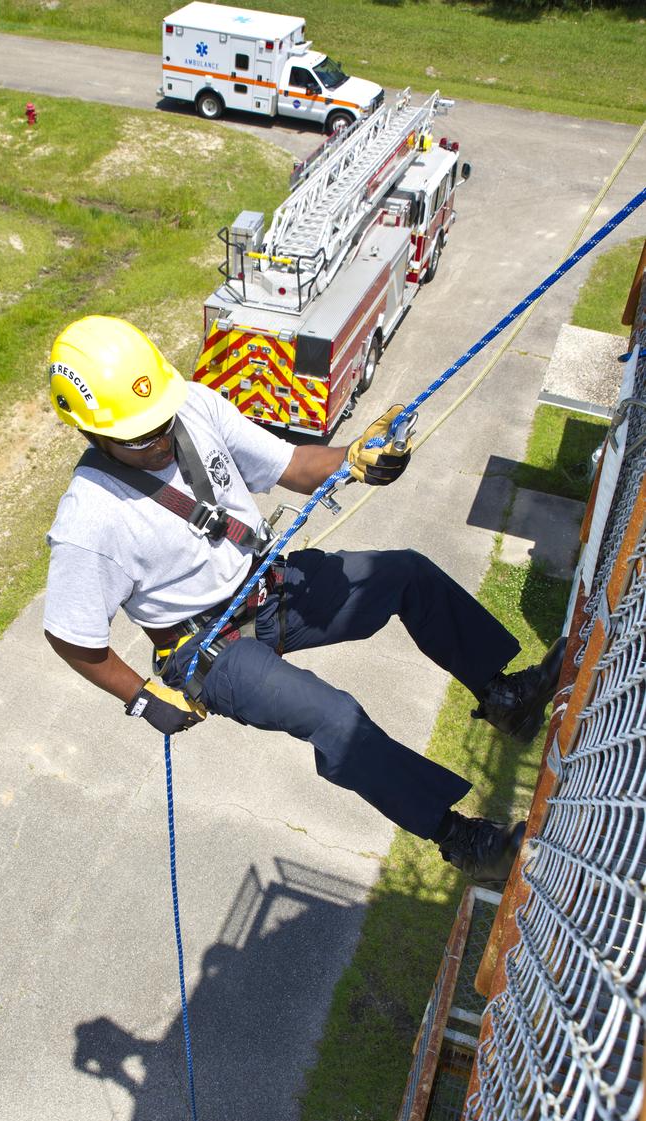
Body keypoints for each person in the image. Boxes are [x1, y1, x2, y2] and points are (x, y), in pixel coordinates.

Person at [43, 316, 564, 890]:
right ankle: (462, 840)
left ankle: (503, 697)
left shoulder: (191, 406)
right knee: (334, 717)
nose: (161, 438)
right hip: (208, 649)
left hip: (266, 588)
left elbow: (291, 466)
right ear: (88, 431)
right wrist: (144, 697)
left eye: (162, 421)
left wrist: (357, 459)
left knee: (405, 575)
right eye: (141, 436)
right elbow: (71, 634)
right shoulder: (89, 520)